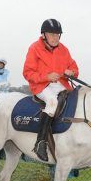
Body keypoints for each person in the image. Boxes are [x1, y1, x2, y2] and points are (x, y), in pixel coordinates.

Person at [23, 18, 79, 161]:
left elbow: (74, 68)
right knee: (52, 102)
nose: (55, 37)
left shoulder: (64, 49)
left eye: (57, 34)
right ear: (43, 35)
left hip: (62, 85)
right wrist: (46, 77)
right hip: (41, 86)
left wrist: (71, 72)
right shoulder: (34, 48)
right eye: (52, 34)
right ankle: (40, 142)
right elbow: (27, 73)